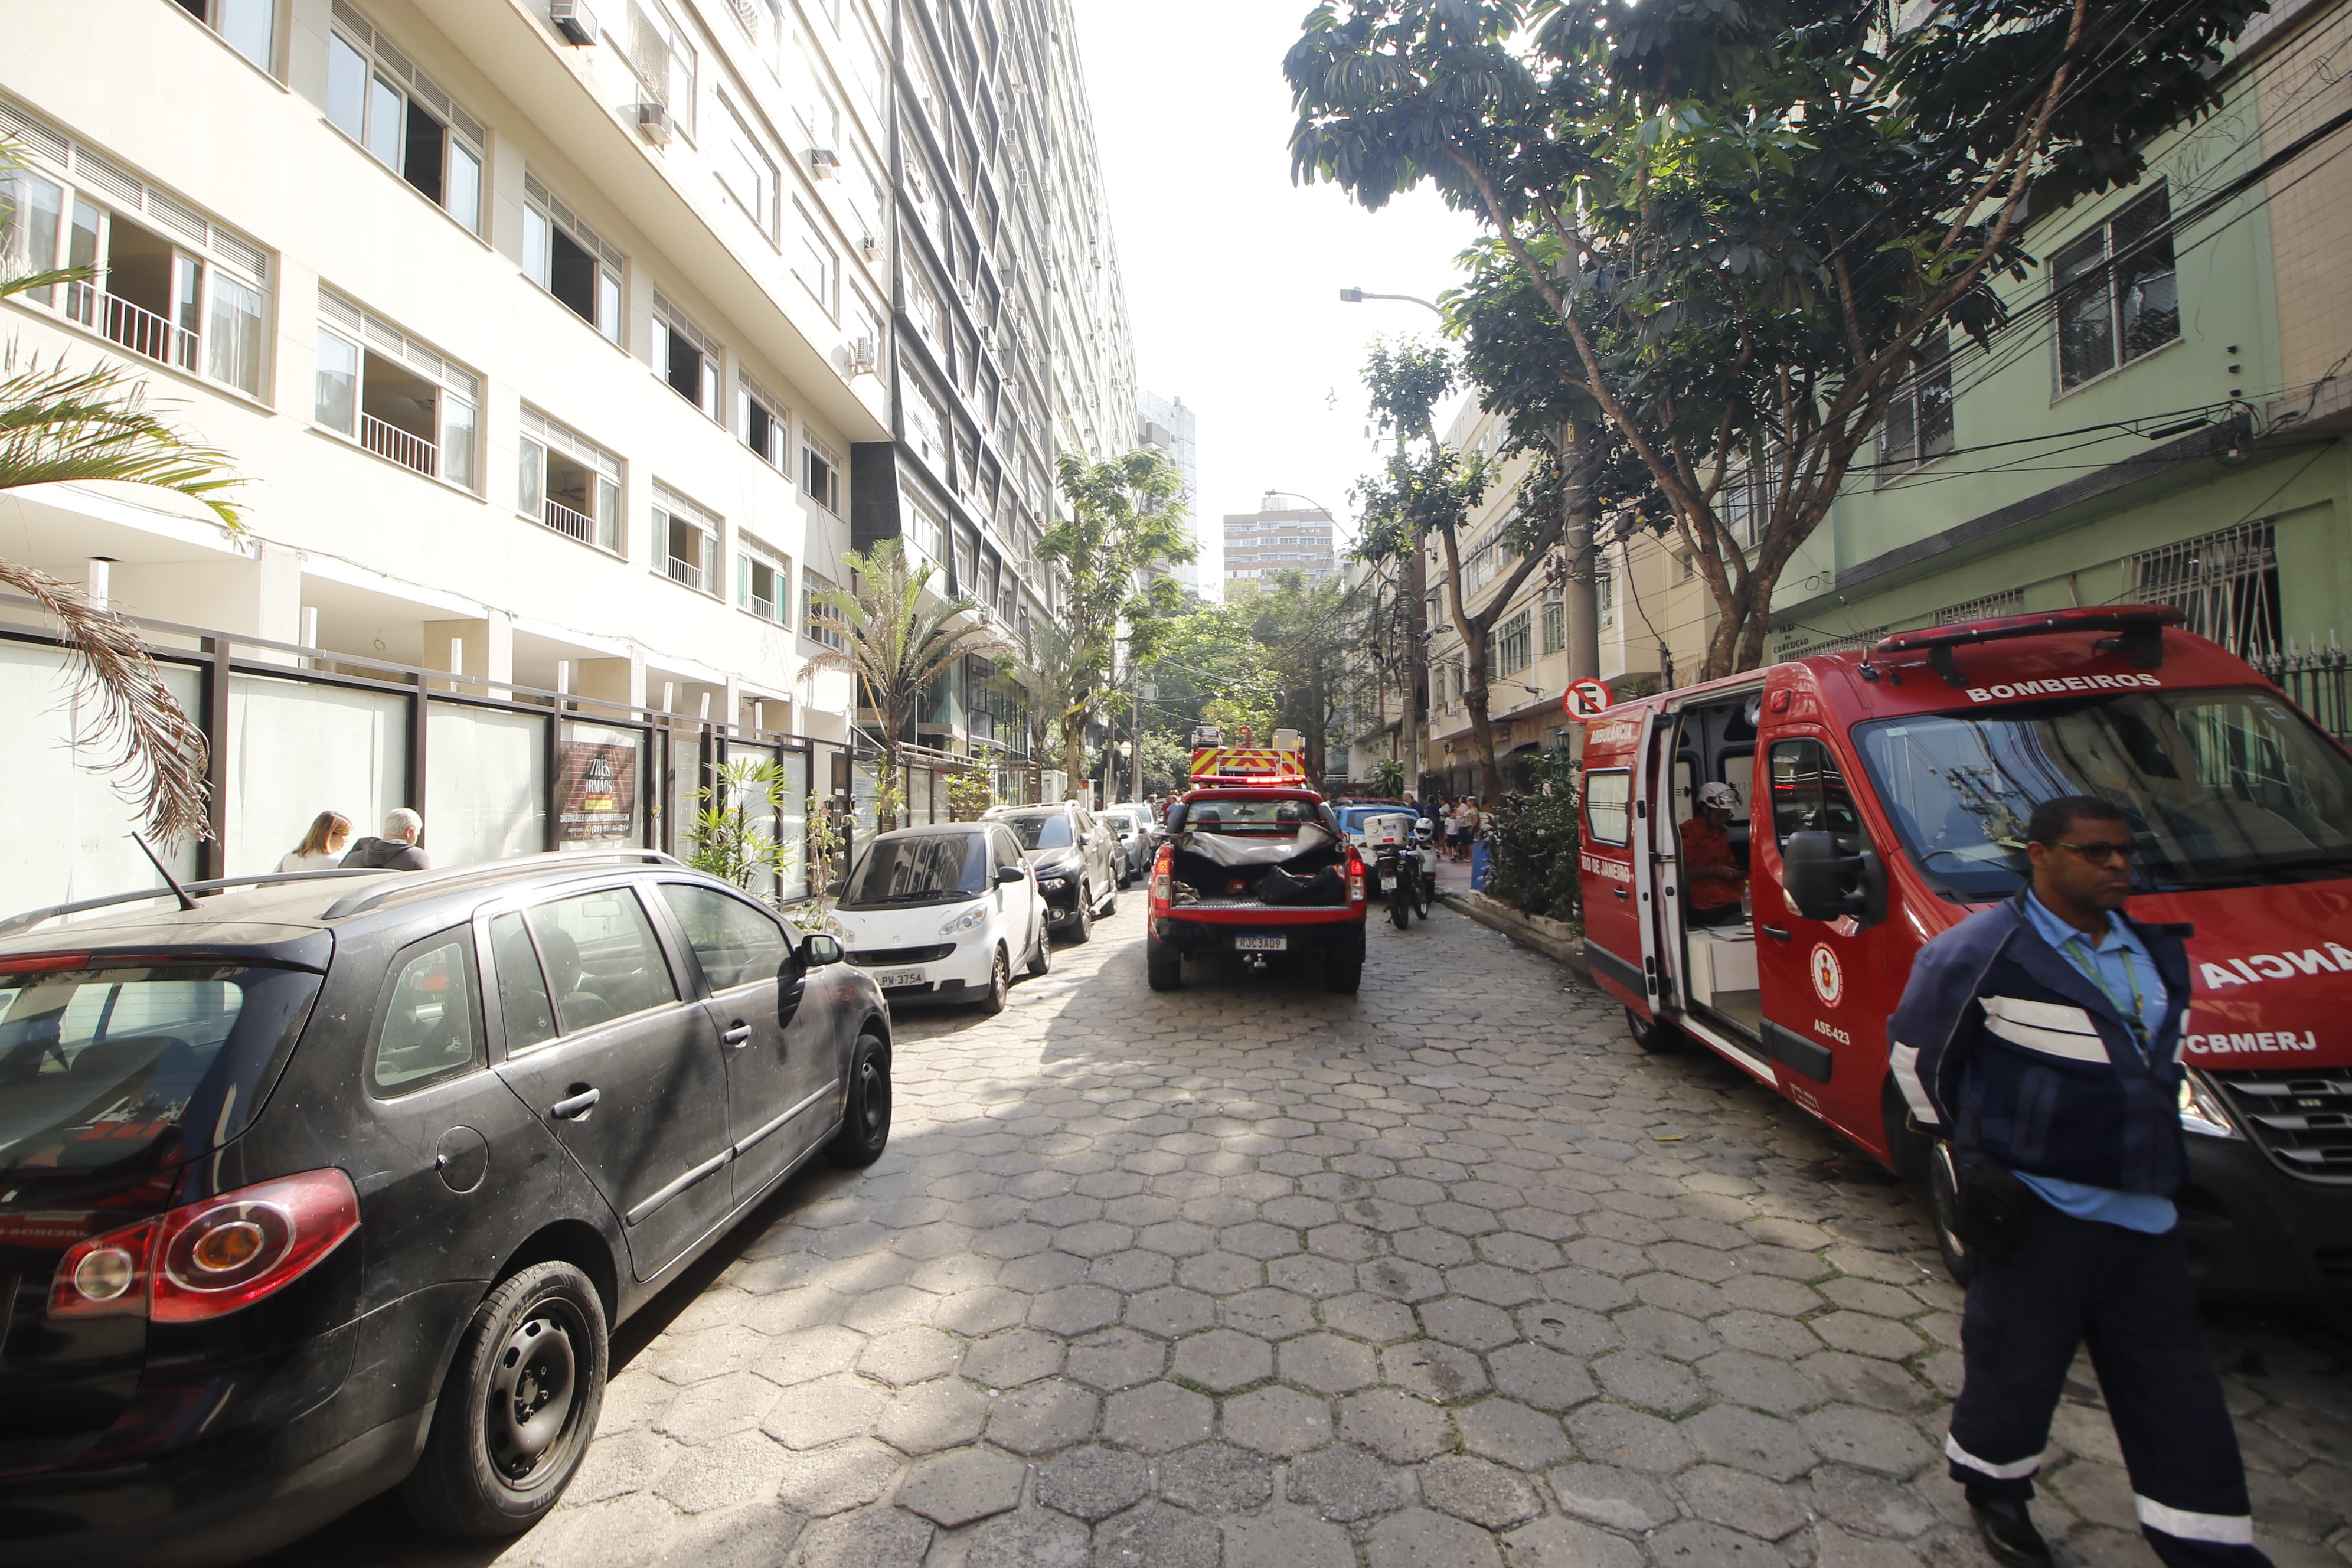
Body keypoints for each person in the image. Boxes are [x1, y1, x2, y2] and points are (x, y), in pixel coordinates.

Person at [1888, 796, 2268, 1568]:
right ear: (2041, 855)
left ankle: (2206, 1542)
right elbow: (1918, 1065)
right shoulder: (1983, 951)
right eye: (2095, 852)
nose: (2118, 866)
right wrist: (1972, 1157)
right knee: (2015, 1371)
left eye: (2125, 851)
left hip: (2147, 1217)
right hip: (2039, 1216)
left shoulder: (2153, 953)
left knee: (2176, 1391)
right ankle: (1995, 1490)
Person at [1680, 782, 1747, 926]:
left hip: (1723, 886)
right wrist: (1715, 871)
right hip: (1702, 894)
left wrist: (1734, 872)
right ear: (1705, 809)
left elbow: (1728, 862)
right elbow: (1682, 873)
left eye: (1727, 815)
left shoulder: (1721, 832)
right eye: (1720, 815)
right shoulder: (1687, 833)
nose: (1724, 820)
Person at [342, 808, 431, 871]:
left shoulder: (351, 859)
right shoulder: (417, 857)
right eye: (417, 834)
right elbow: (425, 892)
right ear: (409, 832)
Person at [278, 811, 352, 871]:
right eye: (345, 835)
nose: (347, 841)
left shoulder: (289, 858)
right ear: (329, 835)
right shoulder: (338, 863)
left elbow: (270, 885)